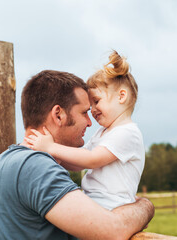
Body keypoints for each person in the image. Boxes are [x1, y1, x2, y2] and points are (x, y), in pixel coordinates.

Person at [0, 69, 154, 240]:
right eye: (84, 112)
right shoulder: (34, 167)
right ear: (58, 115)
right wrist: (145, 206)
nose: (89, 121)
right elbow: (113, 231)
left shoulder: (9, 158)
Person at [26, 51, 144, 211]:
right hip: (96, 203)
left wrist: (51, 147)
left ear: (121, 96)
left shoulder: (128, 133)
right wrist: (47, 153)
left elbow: (91, 159)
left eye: (96, 101)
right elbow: (79, 163)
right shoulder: (103, 133)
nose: (93, 110)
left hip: (113, 206)